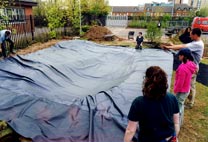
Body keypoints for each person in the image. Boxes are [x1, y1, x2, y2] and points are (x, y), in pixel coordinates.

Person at [124, 66, 180, 142]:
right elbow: (176, 123)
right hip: (169, 138)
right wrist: (175, 138)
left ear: (146, 81)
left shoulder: (138, 103)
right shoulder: (172, 98)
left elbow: (130, 130)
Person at [163, 28, 204, 109]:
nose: (190, 35)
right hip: (191, 66)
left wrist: (169, 47)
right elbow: (184, 48)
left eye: (191, 34)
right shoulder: (196, 42)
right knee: (189, 85)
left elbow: (183, 46)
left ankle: (188, 102)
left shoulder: (198, 44)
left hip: (191, 68)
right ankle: (186, 100)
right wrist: (172, 46)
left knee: (189, 85)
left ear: (195, 35)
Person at [174, 48, 197, 125]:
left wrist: (176, 89)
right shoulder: (189, 64)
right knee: (181, 104)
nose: (178, 57)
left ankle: (177, 124)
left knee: (178, 107)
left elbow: (180, 82)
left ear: (183, 56)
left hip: (181, 90)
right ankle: (181, 121)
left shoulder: (182, 68)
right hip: (186, 89)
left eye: (179, 55)